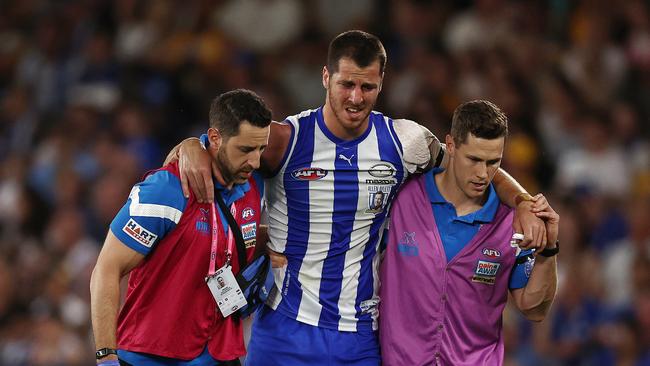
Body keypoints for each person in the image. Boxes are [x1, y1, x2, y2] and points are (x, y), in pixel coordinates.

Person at [173, 31, 549, 365]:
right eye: (346, 84)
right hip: (285, 329)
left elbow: (471, 163)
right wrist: (191, 145)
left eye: (366, 87)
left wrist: (522, 203)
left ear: (381, 83)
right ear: (326, 77)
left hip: (361, 338)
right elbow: (219, 149)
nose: (355, 97)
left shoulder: (406, 143)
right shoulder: (285, 141)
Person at [90, 89, 272, 365]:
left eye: (261, 149)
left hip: (219, 354)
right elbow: (106, 268)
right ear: (214, 138)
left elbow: (230, 239)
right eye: (245, 150)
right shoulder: (168, 190)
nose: (255, 161)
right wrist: (106, 356)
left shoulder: (250, 190)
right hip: (149, 356)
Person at [379, 100, 559, 366]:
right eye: (473, 159)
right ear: (450, 145)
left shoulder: (510, 221)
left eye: (493, 162)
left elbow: (535, 309)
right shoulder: (403, 199)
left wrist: (548, 249)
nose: (483, 174)